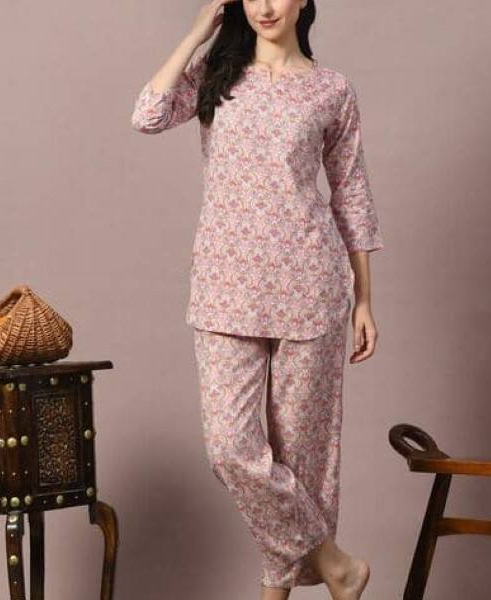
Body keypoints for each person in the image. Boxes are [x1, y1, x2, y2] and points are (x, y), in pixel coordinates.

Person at [131, 1, 384, 598]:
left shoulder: (331, 90)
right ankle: (339, 566)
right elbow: (147, 114)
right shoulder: (216, 76)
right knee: (232, 449)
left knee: (303, 461)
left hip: (310, 287)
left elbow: (351, 192)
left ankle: (276, 591)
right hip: (225, 287)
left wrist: (364, 300)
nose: (265, 6)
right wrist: (198, 32)